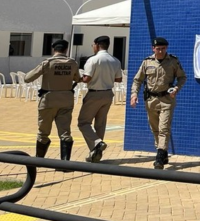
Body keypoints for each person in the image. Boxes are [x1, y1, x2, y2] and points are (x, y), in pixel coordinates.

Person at [130, 37, 187, 169]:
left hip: (167, 99)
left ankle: (160, 157)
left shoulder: (173, 61)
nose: (160, 51)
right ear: (153, 49)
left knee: (164, 128)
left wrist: (177, 88)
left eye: (163, 48)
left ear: (166, 48)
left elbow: (182, 77)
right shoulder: (147, 62)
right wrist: (134, 94)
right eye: (158, 49)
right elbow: (137, 80)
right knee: (154, 128)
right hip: (151, 100)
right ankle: (163, 151)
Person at [24, 39, 81, 161]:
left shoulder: (47, 63)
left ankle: (39, 160)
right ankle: (65, 163)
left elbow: (28, 78)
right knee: (65, 133)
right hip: (66, 100)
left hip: (48, 100)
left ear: (53, 49)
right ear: (66, 49)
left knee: (43, 132)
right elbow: (78, 78)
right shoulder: (73, 63)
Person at [78, 35, 123, 163]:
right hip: (108, 93)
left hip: (94, 93)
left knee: (83, 122)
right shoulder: (115, 60)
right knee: (100, 124)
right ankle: (96, 154)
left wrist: (77, 78)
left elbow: (87, 79)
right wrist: (106, 77)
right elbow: (119, 79)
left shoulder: (93, 60)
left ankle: (97, 143)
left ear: (97, 45)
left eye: (93, 45)